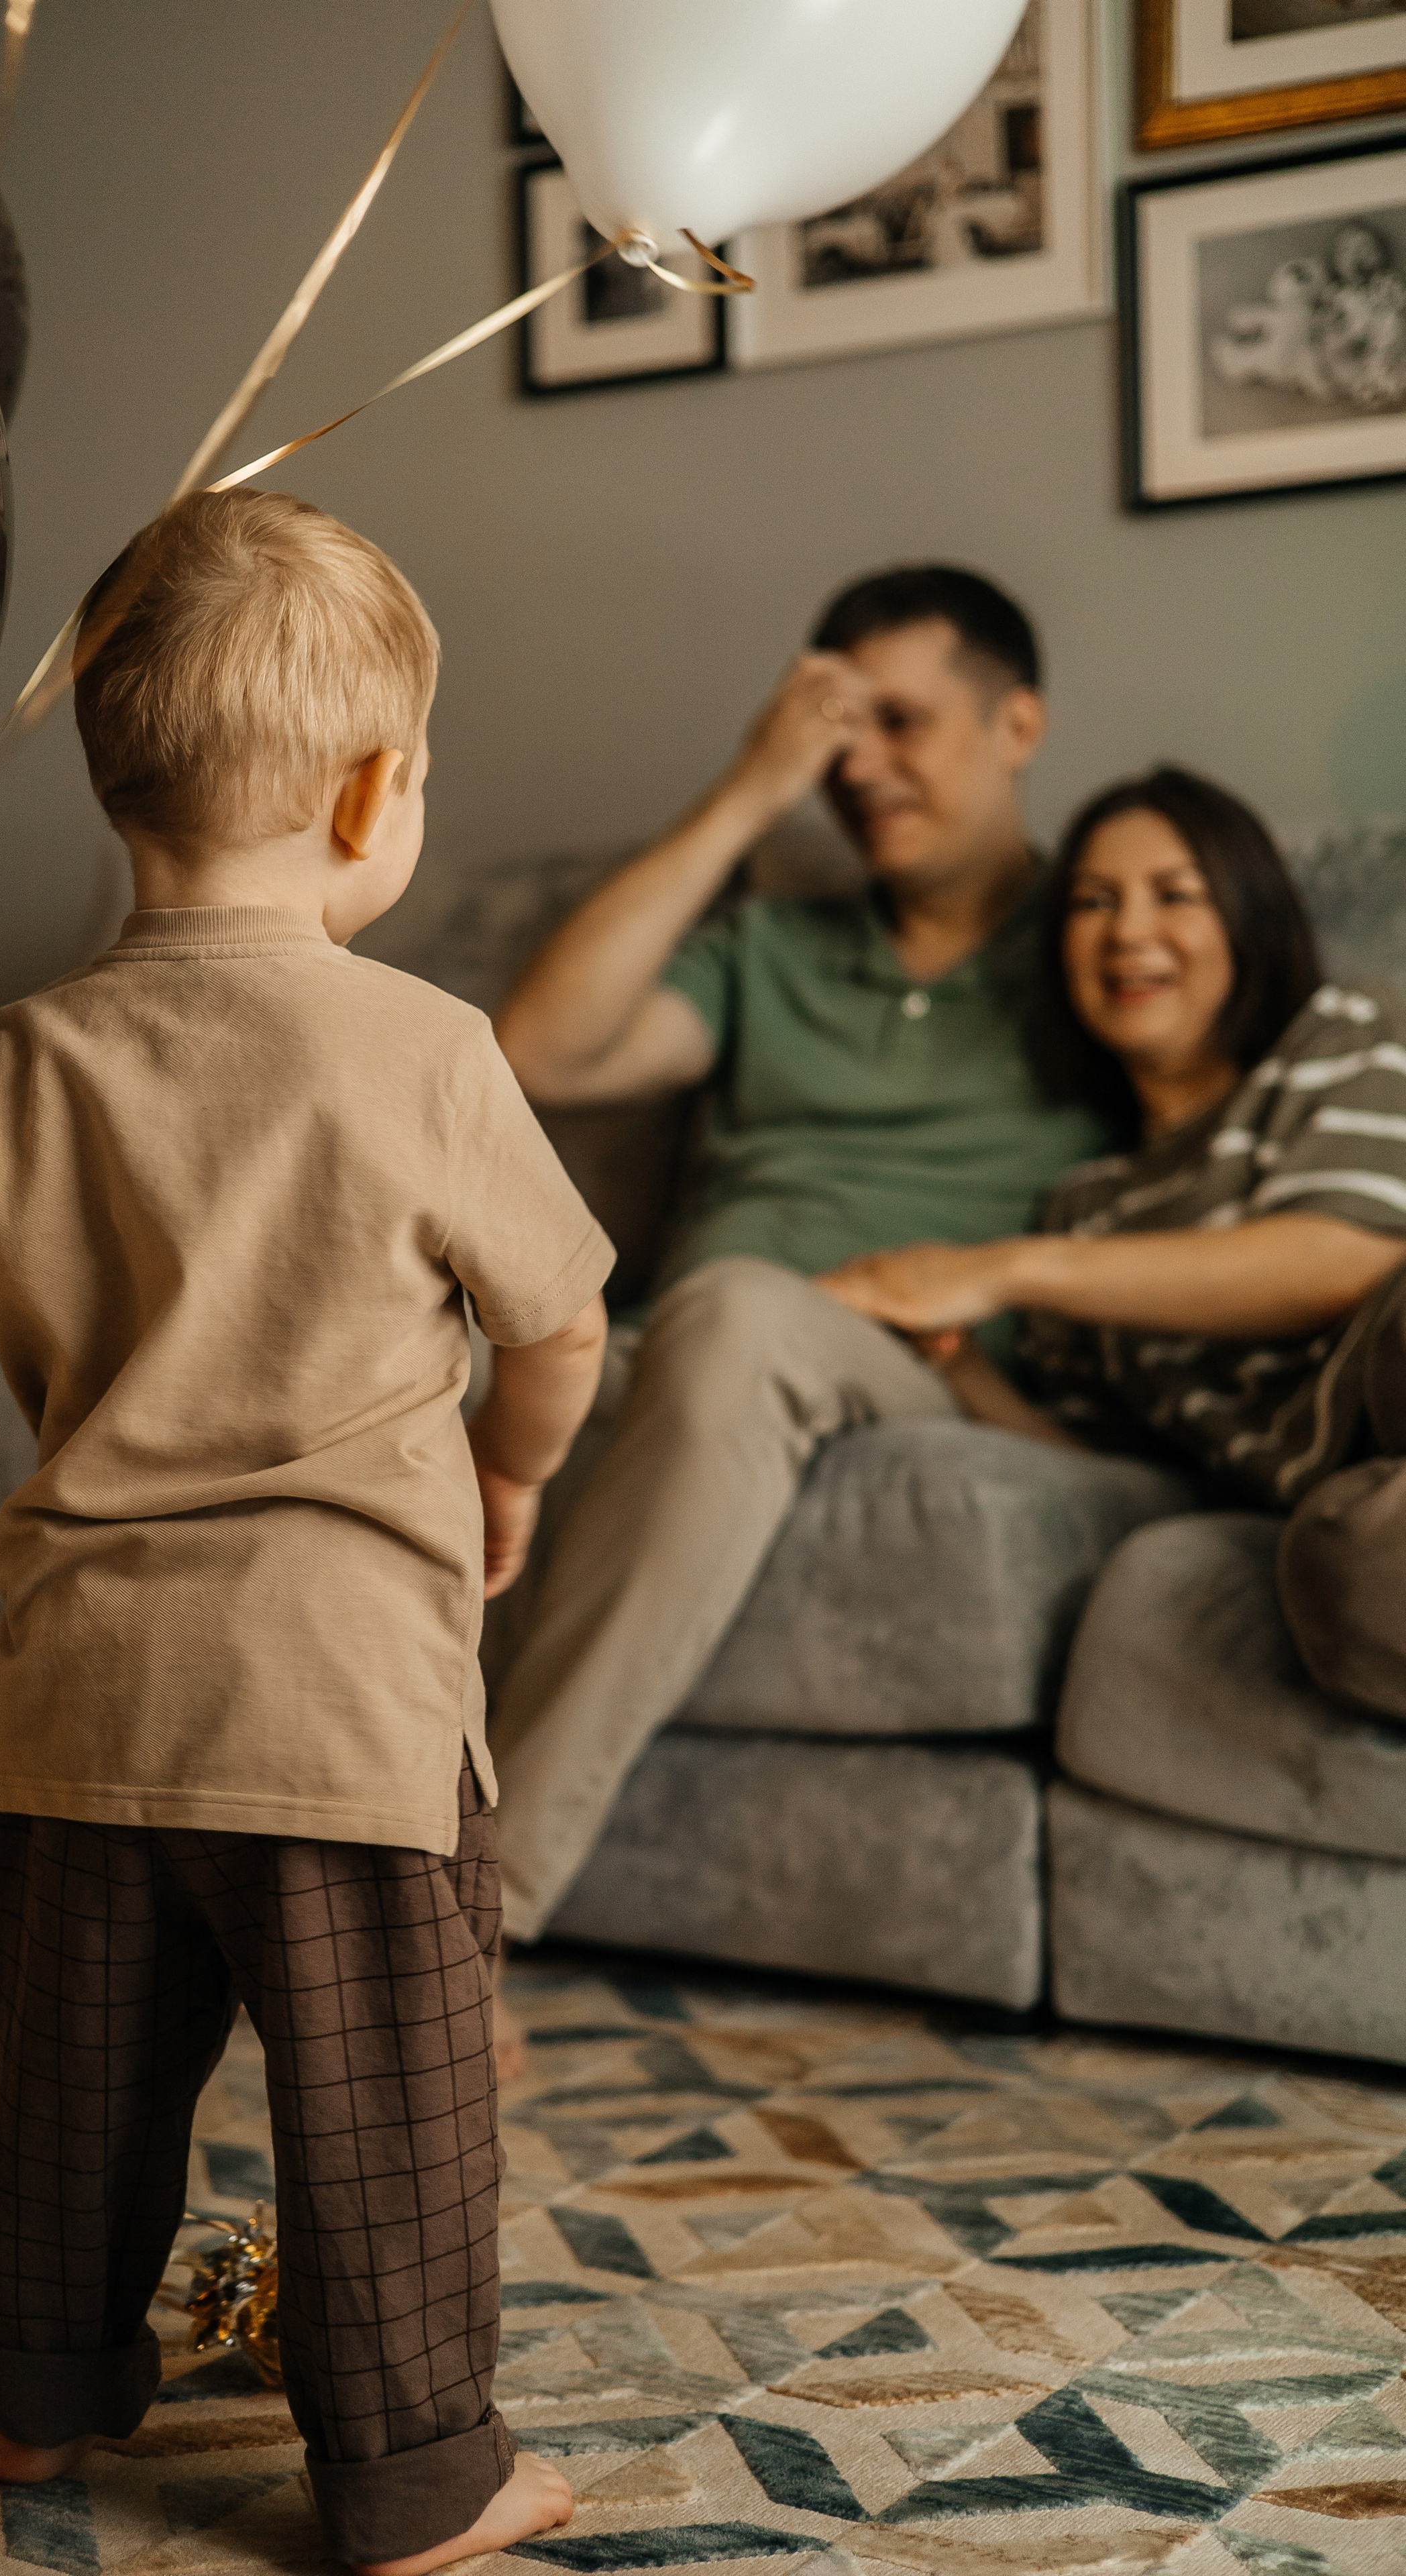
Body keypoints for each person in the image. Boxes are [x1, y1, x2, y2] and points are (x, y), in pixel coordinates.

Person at [0, 492, 616, 2576]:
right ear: (373, 795)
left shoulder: (16, 1060)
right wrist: (517, 1474)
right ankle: (417, 2475)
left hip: (87, 1710)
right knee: (384, 2108)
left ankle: (39, 2395)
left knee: (77, 2088)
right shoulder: (431, 1053)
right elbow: (561, 1324)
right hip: (346, 1727)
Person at [489, 566, 1107, 1958]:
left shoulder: (1099, 940)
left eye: (901, 722)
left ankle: (476, 1913)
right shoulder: (769, 944)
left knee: (737, 1322)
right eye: (834, 729)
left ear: (1015, 726)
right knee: (382, 1358)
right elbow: (542, 1052)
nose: (858, 767)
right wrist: (744, 797)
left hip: (907, 1361)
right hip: (680, 1342)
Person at [822, 764, 1406, 1717]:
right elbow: (1099, 1463)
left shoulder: (1342, 1031)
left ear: (1249, 920)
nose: (1128, 932)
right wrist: (957, 1364)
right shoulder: (1083, 1209)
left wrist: (996, 1272)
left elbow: (1342, 1261)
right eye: (1094, 903)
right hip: (1342, 1496)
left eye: (1175, 895)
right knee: (1346, 1580)